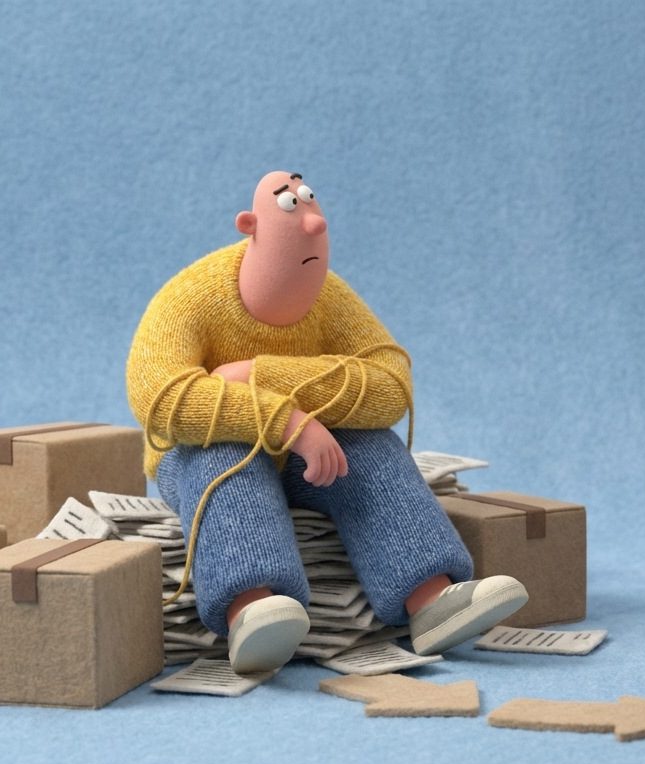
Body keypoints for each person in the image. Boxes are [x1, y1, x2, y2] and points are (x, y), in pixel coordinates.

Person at [127, 171, 527, 673]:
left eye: (309, 202)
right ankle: (250, 607)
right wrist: (287, 422)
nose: (313, 223)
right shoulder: (188, 298)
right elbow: (162, 398)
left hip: (309, 458)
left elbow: (390, 383)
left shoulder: (330, 297)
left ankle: (431, 599)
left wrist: (259, 374)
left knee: (372, 448)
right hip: (201, 454)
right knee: (224, 458)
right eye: (290, 205)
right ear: (250, 226)